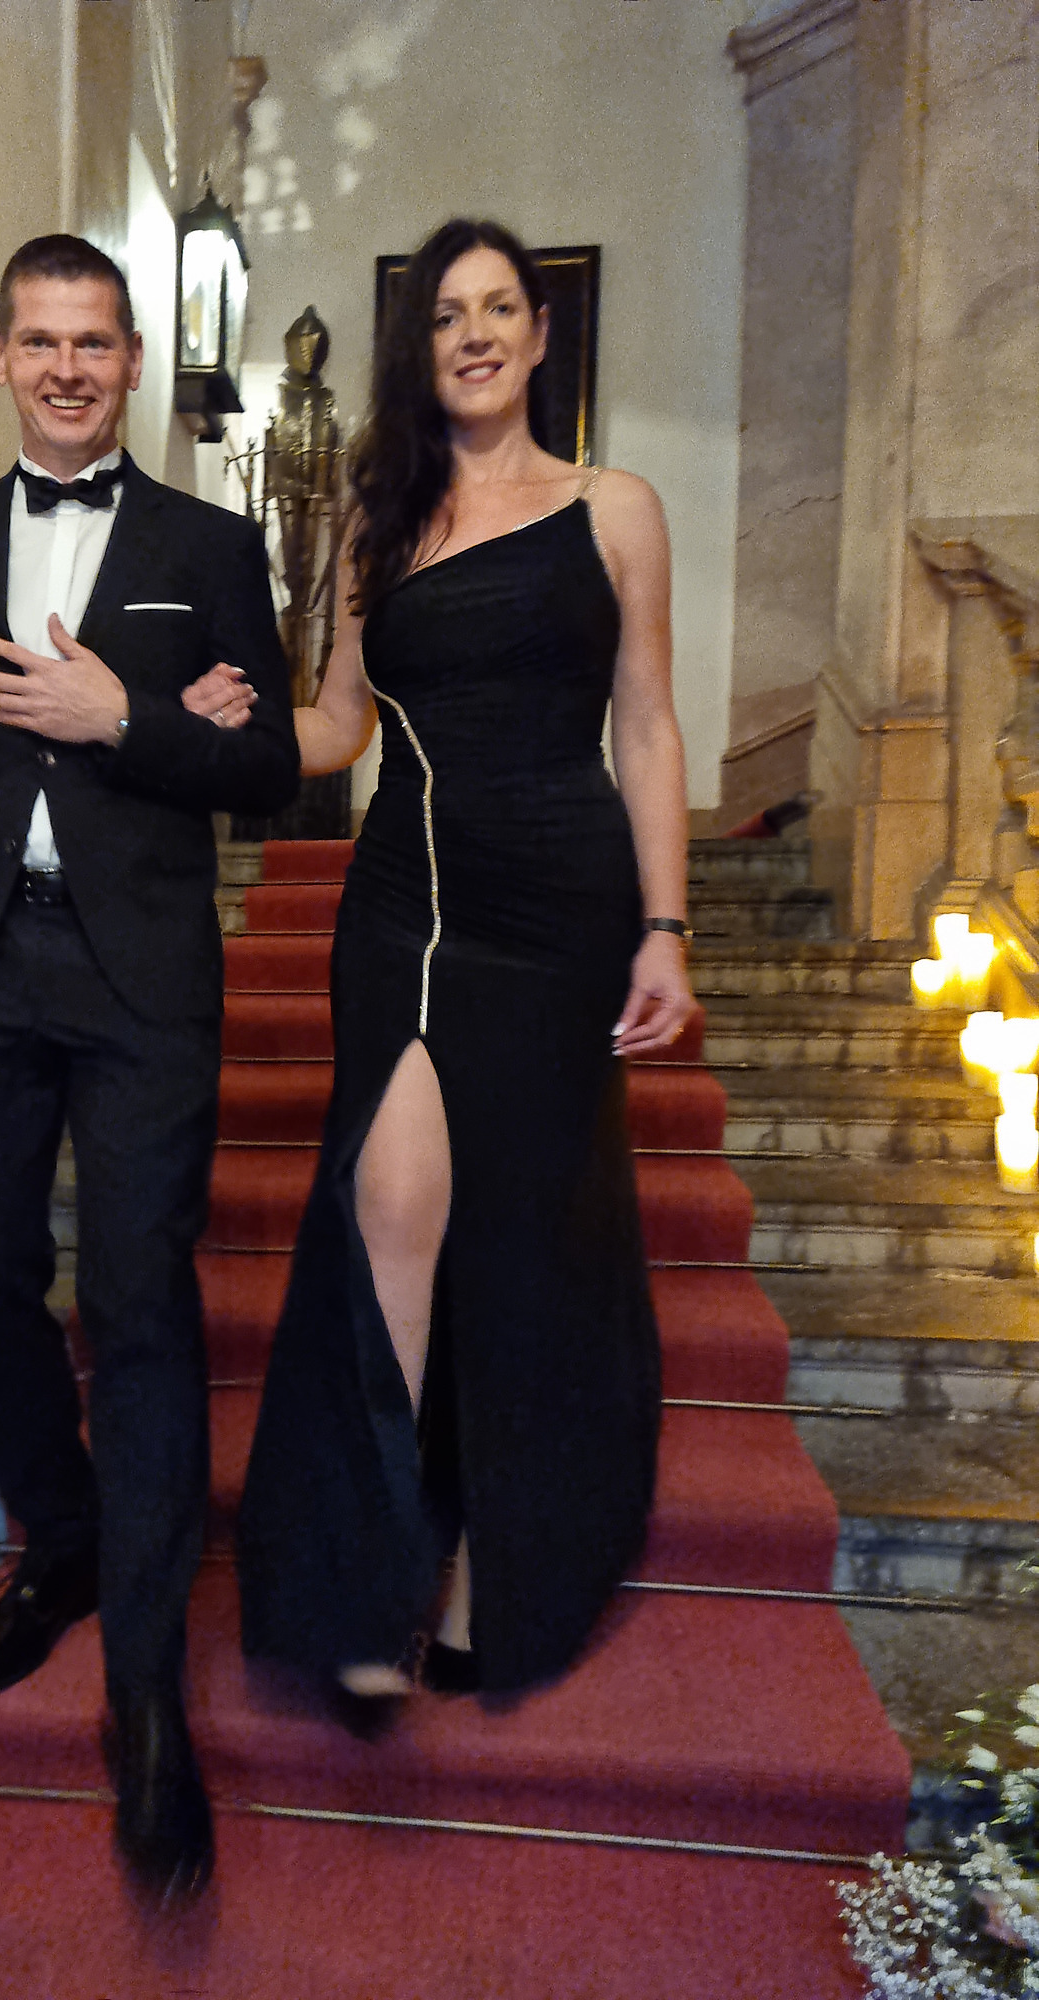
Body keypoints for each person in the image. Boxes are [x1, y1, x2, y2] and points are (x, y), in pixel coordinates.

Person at [0, 233, 297, 1902]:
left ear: (129, 360)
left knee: (141, 1297)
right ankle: (62, 1541)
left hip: (138, 976)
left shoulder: (210, 546)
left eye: (93, 342)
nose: (65, 368)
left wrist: (127, 718)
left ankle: (148, 1692)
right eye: (38, 341)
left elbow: (266, 767)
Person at [223, 217, 694, 1707]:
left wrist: (667, 927)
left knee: (529, 1236)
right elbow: (339, 723)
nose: (475, 334)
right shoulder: (380, 520)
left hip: (561, 904)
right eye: (446, 315)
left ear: (541, 337)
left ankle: (501, 1560)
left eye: (499, 309)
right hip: (405, 903)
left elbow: (649, 724)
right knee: (393, 1201)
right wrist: (221, 724)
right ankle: (372, 1577)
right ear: (417, 347)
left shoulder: (615, 508)